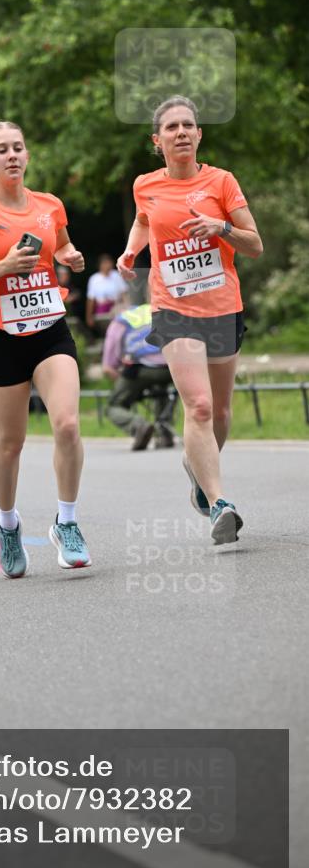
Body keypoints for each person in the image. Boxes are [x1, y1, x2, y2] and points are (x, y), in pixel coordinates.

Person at [0, 121, 90, 578]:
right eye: (2, 150)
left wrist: (69, 256)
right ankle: (7, 525)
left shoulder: (50, 206)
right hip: (3, 340)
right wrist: (2, 267)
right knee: (11, 443)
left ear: (27, 157)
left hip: (50, 330)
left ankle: (66, 523)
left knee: (66, 424)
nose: (12, 155)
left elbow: (61, 244)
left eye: (18, 148)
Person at [116, 95, 263, 543]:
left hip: (222, 307)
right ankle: (220, 502)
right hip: (173, 307)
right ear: (156, 141)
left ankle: (196, 470)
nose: (180, 132)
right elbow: (144, 220)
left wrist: (221, 229)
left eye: (188, 125)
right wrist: (130, 249)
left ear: (199, 134)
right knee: (197, 406)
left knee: (218, 410)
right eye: (171, 128)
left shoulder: (222, 182)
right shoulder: (146, 185)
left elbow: (254, 244)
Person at [102, 302, 176, 450]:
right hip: (171, 366)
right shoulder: (153, 309)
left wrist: (129, 389)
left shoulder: (120, 320)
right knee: (162, 389)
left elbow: (109, 367)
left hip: (140, 368)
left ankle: (139, 426)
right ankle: (165, 432)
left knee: (113, 406)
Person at [86, 253, 128, 337]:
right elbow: (90, 300)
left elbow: (124, 294)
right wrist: (89, 317)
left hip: (116, 309)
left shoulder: (117, 276)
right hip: (101, 312)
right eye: (104, 263)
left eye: (108, 263)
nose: (107, 265)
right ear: (100, 265)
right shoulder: (94, 279)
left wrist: (127, 309)